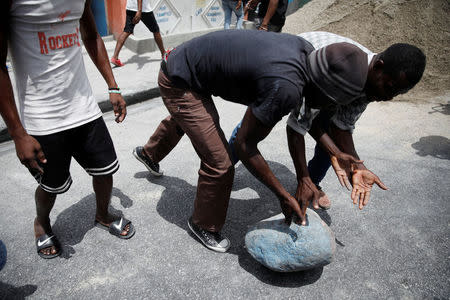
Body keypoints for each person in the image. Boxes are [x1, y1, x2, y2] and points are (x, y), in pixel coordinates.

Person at [133, 29, 425, 253]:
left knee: (195, 118)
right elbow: (247, 145)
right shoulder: (286, 88)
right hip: (179, 78)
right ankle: (202, 225)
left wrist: (341, 155)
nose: (387, 95)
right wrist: (282, 194)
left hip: (196, 65)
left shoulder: (312, 59)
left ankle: (150, 152)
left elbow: (307, 120)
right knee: (221, 161)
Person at [229, 31, 426, 211]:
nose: (388, 97)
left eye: (397, 94)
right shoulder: (341, 71)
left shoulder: (372, 84)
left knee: (333, 145)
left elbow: (342, 127)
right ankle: (225, 166)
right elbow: (298, 126)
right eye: (390, 88)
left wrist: (357, 166)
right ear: (379, 67)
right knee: (254, 125)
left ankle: (312, 185)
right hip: (296, 72)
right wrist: (301, 177)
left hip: (327, 89)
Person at [1, 0, 134, 259]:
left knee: (106, 169)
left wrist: (113, 86)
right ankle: (41, 222)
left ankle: (103, 214)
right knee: (51, 185)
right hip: (42, 115)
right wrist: (17, 133)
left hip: (84, 107)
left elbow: (91, 35)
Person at [111, 0, 165, 67]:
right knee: (156, 30)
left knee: (126, 31)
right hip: (143, 9)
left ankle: (115, 57)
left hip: (130, 8)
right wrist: (139, 11)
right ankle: (164, 54)